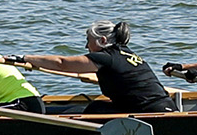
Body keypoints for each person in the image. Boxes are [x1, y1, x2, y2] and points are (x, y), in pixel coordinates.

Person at [20, 20, 176, 114]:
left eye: (88, 40)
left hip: (147, 113)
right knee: (98, 106)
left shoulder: (104, 57)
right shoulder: (128, 54)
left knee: (95, 108)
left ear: (102, 40)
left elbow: (62, 63)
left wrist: (26, 58)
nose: (86, 45)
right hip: (168, 106)